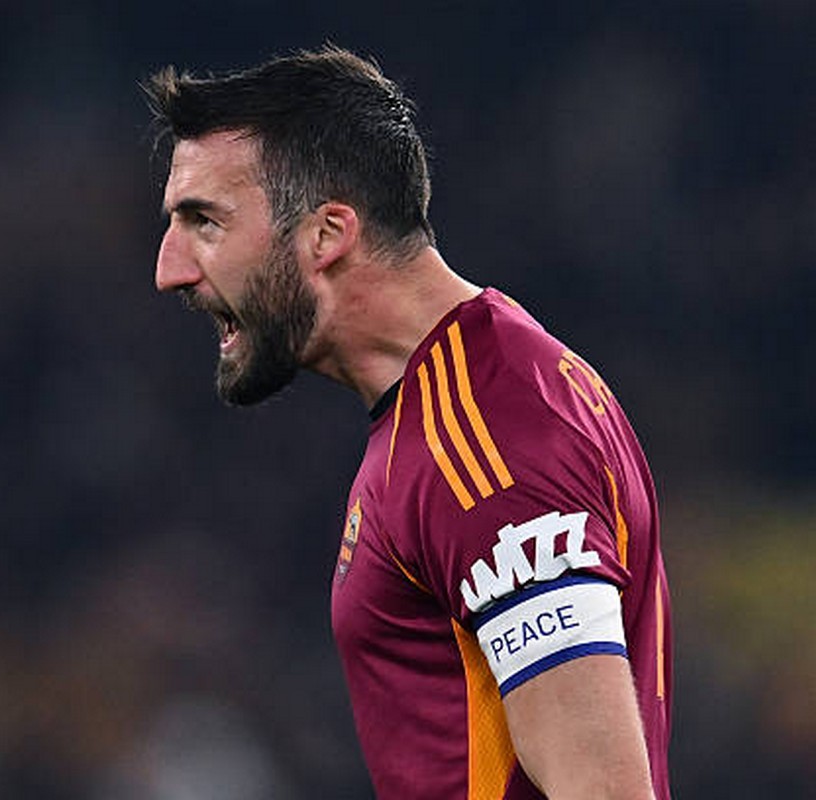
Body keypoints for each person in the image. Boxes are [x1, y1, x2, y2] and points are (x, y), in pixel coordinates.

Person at [145, 45, 671, 799]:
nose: (170, 270)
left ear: (327, 234)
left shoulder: (489, 439)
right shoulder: (462, 397)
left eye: (205, 221)